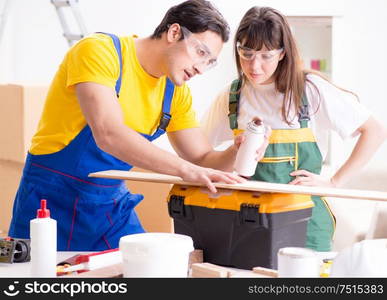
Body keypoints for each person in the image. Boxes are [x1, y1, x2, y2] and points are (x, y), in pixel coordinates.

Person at [8, 0, 249, 251]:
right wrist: (184, 170)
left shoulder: (175, 92)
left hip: (109, 209)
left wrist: (236, 151)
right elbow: (108, 134)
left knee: (146, 270)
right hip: (50, 201)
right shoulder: (100, 51)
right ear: (174, 32)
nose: (201, 68)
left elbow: (202, 158)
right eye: (200, 52)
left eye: (210, 62)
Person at [201, 6, 387, 251]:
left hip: (305, 222)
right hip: (248, 221)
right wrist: (234, 153)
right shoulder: (232, 96)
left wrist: (334, 182)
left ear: (282, 53)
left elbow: (374, 131)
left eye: (266, 55)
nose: (254, 65)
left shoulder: (310, 90)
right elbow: (202, 159)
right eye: (246, 53)